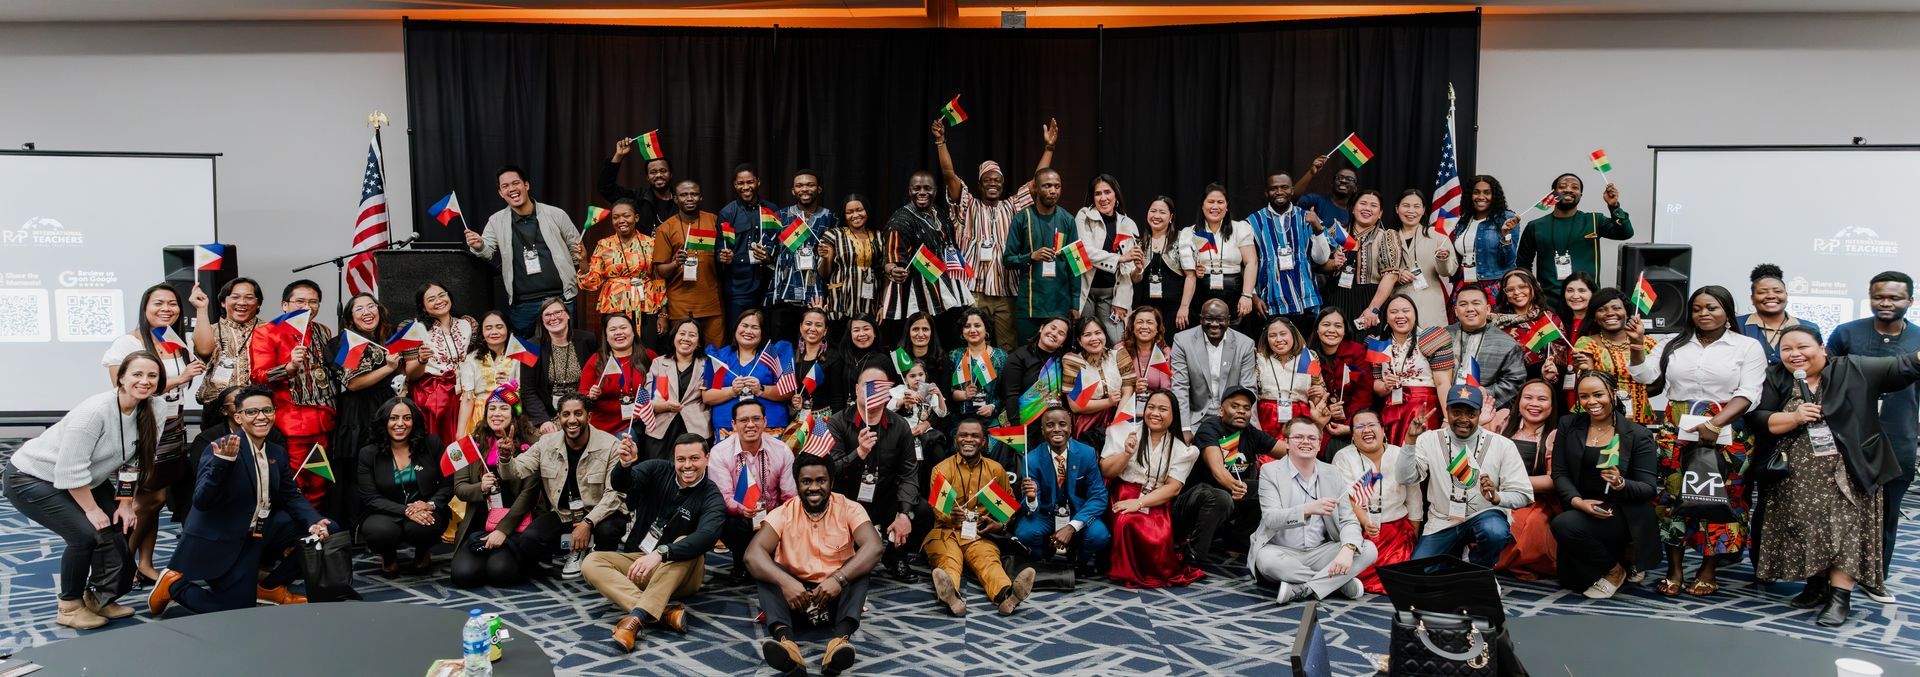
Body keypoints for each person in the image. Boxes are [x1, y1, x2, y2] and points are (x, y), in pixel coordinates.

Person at [1754, 327, 1920, 626]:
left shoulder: (1854, 368)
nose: (1795, 354)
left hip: (1849, 469)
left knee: (1844, 531)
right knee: (1808, 527)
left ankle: (1839, 597)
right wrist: (1794, 417)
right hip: (1798, 474)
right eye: (1787, 349)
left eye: (1803, 346)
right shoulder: (1776, 376)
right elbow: (1759, 418)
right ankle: (1816, 585)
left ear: (1823, 348)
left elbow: (1903, 366)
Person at [1628, 285, 1765, 597]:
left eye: (1712, 308)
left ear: (1728, 312)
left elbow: (1749, 393)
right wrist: (1637, 345)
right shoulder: (1673, 344)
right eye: (1698, 308)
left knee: (1719, 499)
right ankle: (1674, 568)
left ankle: (1708, 568)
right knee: (1674, 498)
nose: (1704, 313)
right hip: (1677, 429)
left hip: (1728, 429)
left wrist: (1715, 424)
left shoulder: (1746, 347)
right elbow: (1644, 375)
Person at [150, 386, 336, 615]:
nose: (261, 417)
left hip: (258, 531)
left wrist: (313, 521)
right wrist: (222, 465)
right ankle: (173, 586)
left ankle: (270, 587)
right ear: (238, 417)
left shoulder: (276, 451)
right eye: (252, 412)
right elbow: (201, 501)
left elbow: (290, 495)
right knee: (238, 610)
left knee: (327, 529)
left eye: (267, 410)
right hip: (223, 539)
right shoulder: (220, 447)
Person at [4, 352, 157, 628]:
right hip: (33, 477)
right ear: (120, 378)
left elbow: (134, 461)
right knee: (86, 535)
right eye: (137, 374)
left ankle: (98, 598)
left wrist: (125, 503)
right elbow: (68, 471)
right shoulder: (93, 413)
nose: (145, 381)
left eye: (152, 376)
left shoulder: (152, 408)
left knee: (123, 524)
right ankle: (70, 607)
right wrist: (92, 510)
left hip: (88, 478)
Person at [1826, 271, 1919, 604]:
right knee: (1838, 509)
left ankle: (1876, 578)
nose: (1886, 303)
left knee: (1888, 512)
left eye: (1895, 297)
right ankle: (1829, 578)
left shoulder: (1919, 340)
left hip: (1899, 440)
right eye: (1879, 296)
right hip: (1846, 439)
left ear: (1910, 300)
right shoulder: (1846, 334)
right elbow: (1825, 380)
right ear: (1870, 296)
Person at [747, 453, 882, 676]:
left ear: (831, 482)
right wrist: (786, 583)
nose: (814, 488)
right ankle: (788, 647)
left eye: (821, 480)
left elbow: (874, 547)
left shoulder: (850, 508)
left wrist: (839, 579)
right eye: (806, 481)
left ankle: (838, 644)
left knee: (858, 565)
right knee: (767, 570)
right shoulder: (783, 512)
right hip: (795, 601)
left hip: (834, 599)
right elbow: (752, 554)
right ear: (797, 484)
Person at [101, 284, 201, 583]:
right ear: (145, 307)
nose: (166, 309)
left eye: (173, 304)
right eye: (158, 303)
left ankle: (144, 563)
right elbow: (122, 389)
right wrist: (179, 378)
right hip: (143, 427)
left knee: (155, 499)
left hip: (172, 427)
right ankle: (121, 566)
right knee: (140, 500)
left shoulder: (174, 341)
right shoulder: (127, 343)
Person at [591, 433, 726, 651]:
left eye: (694, 458)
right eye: (681, 459)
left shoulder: (712, 496)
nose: (687, 465)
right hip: (640, 562)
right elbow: (622, 483)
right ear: (674, 459)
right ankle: (663, 613)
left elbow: (707, 536)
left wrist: (662, 553)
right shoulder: (657, 469)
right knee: (592, 561)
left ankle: (635, 618)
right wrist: (625, 464)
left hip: (681, 573)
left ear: (707, 459)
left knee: (686, 541)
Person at [934, 116, 1054, 351]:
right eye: (987, 180)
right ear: (979, 185)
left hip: (1006, 291)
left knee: (1007, 346)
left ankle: (1001, 388)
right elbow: (949, 174)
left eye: (997, 181)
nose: (992, 184)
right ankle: (975, 388)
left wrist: (1049, 147)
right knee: (975, 345)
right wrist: (941, 141)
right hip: (973, 290)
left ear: (1002, 184)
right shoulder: (967, 206)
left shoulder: (1012, 206)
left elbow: (1037, 182)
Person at [1548, 370, 1663, 603]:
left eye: (1598, 394)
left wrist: (1621, 483)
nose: (1591, 402)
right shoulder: (1569, 424)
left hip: (1623, 512)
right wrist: (1578, 502)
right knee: (1571, 580)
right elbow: (1560, 472)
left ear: (1612, 393)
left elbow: (1648, 488)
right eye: (1584, 396)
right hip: (1583, 506)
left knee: (1563, 524)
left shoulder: (1637, 434)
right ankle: (1619, 562)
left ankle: (1615, 570)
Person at [1398, 384, 1532, 568]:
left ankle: (1479, 569)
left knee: (1494, 532)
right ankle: (1455, 556)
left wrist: (1498, 497)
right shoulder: (1428, 439)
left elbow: (1524, 494)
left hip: (1484, 515)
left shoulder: (1503, 445)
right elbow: (1405, 478)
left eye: (1470, 414)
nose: (1463, 419)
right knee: (1420, 571)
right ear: (1447, 411)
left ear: (1479, 414)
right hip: (1442, 520)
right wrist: (1410, 441)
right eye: (1457, 412)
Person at [500, 393, 629, 578]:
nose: (572, 420)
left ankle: (597, 557)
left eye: (578, 413)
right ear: (559, 418)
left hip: (600, 514)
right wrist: (505, 457)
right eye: (566, 414)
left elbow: (614, 494)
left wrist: (587, 523)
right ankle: (575, 549)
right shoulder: (546, 443)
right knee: (530, 540)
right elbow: (515, 471)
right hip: (564, 514)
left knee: (609, 531)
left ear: (589, 417)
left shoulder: (611, 446)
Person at [1252, 418, 1377, 605]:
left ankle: (1305, 588)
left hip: (1320, 551)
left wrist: (1347, 548)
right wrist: (1307, 510)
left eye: (1312, 438)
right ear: (1287, 442)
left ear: (1319, 444)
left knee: (1368, 549)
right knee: (1266, 560)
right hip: (1281, 552)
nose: (1305, 442)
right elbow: (1271, 519)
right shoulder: (1271, 471)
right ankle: (1336, 582)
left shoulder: (1332, 473)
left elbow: (1348, 520)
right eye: (1298, 437)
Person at [922, 415, 1037, 617]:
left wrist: (999, 525)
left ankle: (1008, 595)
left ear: (984, 441)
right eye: (963, 435)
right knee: (948, 561)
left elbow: (1008, 509)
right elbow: (938, 510)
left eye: (975, 436)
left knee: (989, 562)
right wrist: (951, 516)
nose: (968, 439)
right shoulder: (941, 470)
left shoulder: (996, 470)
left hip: (979, 535)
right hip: (946, 533)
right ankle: (952, 597)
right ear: (956, 439)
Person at [1101, 389, 1205, 588]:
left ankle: (1153, 571)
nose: (1155, 413)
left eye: (1163, 409)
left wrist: (1139, 503)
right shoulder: (1124, 432)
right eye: (1151, 407)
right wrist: (1126, 453)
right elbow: (1106, 471)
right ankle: (1125, 572)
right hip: (1124, 491)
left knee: (1158, 536)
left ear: (1173, 414)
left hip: (1156, 497)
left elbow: (1173, 488)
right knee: (1126, 520)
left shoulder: (1182, 449)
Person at [828, 366, 924, 582]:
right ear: (856, 389)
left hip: (883, 495)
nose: (873, 393)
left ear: (888, 393)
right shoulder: (838, 422)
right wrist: (858, 453)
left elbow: (909, 474)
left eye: (879, 387)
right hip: (848, 498)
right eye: (867, 387)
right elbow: (829, 471)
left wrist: (904, 513)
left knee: (921, 510)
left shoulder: (899, 426)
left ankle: (895, 555)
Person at [448, 383, 549, 588]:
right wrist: (480, 488)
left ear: (515, 413)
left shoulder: (534, 443)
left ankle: (514, 557)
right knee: (463, 576)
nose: (496, 413)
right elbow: (459, 488)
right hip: (480, 522)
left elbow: (529, 494)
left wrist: (502, 530)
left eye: (504, 408)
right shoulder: (470, 444)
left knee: (499, 573)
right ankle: (488, 553)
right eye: (492, 408)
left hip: (517, 524)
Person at [248, 280, 337, 511]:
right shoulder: (267, 333)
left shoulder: (323, 331)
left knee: (320, 477)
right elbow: (258, 376)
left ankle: (315, 529)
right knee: (294, 480)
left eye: (313, 301)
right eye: (300, 301)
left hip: (325, 419)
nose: (307, 306)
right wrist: (288, 368)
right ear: (284, 305)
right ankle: (292, 533)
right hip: (292, 421)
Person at [464, 166, 583, 336]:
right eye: (505, 186)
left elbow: (576, 248)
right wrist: (478, 245)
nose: (511, 189)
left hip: (561, 298)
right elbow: (487, 252)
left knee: (564, 348)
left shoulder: (556, 214)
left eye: (515, 183)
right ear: (500, 193)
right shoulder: (496, 220)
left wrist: (572, 277)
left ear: (526, 185)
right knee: (525, 355)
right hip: (523, 304)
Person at [1183, 386, 1280, 562]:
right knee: (1220, 497)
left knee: (1268, 487)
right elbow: (1217, 468)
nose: (1241, 411)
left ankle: (1237, 541)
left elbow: (1285, 451)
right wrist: (1234, 486)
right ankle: (1194, 554)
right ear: (1221, 411)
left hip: (1231, 494)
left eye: (1246, 408)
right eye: (1235, 406)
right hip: (1198, 497)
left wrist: (1312, 434)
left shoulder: (1250, 432)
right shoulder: (1210, 427)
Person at [356, 397, 450, 577]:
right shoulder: (368, 453)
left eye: (407, 418)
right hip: (384, 512)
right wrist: (407, 510)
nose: (400, 423)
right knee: (380, 532)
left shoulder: (432, 444)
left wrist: (430, 505)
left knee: (424, 527)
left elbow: (448, 484)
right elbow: (370, 497)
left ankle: (422, 552)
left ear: (414, 421)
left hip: (426, 509)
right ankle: (388, 557)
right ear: (384, 421)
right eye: (393, 418)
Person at [331, 293, 404, 525]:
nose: (367, 312)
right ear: (350, 318)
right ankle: (359, 526)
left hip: (389, 406)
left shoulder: (390, 336)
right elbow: (352, 383)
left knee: (391, 467)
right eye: (359, 309)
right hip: (360, 413)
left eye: (370, 306)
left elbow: (402, 373)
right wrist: (388, 368)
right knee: (361, 471)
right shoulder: (347, 341)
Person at [708, 399, 799, 581]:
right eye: (744, 420)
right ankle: (742, 561)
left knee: (794, 513)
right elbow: (724, 496)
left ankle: (770, 558)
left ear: (765, 422)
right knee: (721, 517)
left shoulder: (781, 450)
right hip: (738, 516)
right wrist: (742, 508)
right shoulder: (720, 453)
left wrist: (778, 518)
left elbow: (790, 497)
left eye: (756, 419)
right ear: (734, 424)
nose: (750, 425)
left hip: (773, 517)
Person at [1514, 174, 1633, 313]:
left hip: (1588, 300)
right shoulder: (1535, 226)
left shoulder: (1594, 220)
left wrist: (1614, 206)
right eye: (1563, 186)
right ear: (1553, 193)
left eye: (1575, 187)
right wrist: (1533, 291)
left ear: (1580, 194)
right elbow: (1523, 264)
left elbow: (1625, 233)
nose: (1569, 190)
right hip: (1548, 302)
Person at [1015, 407, 1111, 577]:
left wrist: (1071, 527)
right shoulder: (1031, 459)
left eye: (1062, 424)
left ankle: (1077, 563)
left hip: (1076, 513)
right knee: (1025, 532)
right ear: (1043, 431)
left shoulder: (1086, 453)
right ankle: (1043, 559)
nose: (1057, 429)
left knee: (1099, 534)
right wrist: (1031, 499)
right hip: (1046, 514)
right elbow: (1030, 509)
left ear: (1071, 429)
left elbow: (1099, 496)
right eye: (1050, 425)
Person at [1331, 410, 1417, 594]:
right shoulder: (1343, 457)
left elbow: (1414, 498)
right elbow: (1346, 498)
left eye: (1372, 425)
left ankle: (1345, 582)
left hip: (1395, 532)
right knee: (1348, 563)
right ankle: (1346, 581)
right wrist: (1365, 522)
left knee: (1396, 577)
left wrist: (1414, 535)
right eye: (1360, 427)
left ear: (1383, 429)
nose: (1366, 430)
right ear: (1352, 434)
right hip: (1359, 530)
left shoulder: (1400, 454)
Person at [1492, 380, 1563, 581]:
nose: (1534, 404)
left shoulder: (1555, 436)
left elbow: (1553, 481)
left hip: (1535, 499)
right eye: (1528, 398)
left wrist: (1515, 483)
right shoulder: (1502, 422)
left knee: (1532, 524)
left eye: (1542, 399)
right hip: (1498, 495)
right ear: (1519, 401)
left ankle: (1506, 562)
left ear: (1552, 405)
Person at [1247, 172, 1332, 333]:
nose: (1279, 192)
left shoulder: (1307, 217)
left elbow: (1321, 259)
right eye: (1274, 188)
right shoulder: (1253, 222)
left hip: (1306, 301)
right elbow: (1247, 263)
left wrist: (1318, 228)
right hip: (1270, 302)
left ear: (1292, 191)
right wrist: (1253, 296)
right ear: (1266, 192)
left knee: (1305, 354)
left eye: (1284, 187)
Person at [1003, 168, 1082, 338]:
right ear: (1036, 189)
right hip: (1030, 305)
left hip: (1060, 305)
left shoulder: (1068, 220)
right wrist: (1031, 256)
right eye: (1047, 186)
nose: (1053, 191)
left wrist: (1075, 303)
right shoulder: (1021, 218)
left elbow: (1077, 265)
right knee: (1028, 356)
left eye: (1057, 186)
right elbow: (1007, 260)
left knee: (1056, 358)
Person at [651, 179, 730, 345]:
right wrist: (675, 263)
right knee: (684, 353)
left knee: (714, 355)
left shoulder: (715, 221)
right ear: (675, 199)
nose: (689, 198)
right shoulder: (665, 228)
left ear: (700, 197)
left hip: (711, 304)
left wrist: (726, 258)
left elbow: (723, 255)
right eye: (684, 195)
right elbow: (660, 272)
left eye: (693, 194)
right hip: (679, 306)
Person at [578, 199, 666, 342]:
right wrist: (582, 261)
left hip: (646, 305)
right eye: (616, 217)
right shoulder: (604, 244)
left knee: (647, 350)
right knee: (617, 351)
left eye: (626, 215)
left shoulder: (650, 243)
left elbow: (658, 280)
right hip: (614, 305)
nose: (621, 220)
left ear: (636, 218)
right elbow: (592, 283)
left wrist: (663, 316)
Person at [763, 170, 837, 340]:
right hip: (784, 295)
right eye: (800, 185)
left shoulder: (830, 218)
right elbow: (770, 255)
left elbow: (834, 261)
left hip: (816, 296)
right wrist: (764, 255)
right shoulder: (780, 216)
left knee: (813, 347)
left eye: (810, 185)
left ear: (819, 189)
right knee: (783, 348)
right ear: (793, 191)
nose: (805, 189)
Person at [1170, 299, 1258, 439]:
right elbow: (1180, 387)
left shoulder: (1245, 344)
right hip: (1195, 418)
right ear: (1201, 319)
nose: (1215, 324)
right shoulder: (1182, 341)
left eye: (1220, 319)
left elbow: (1248, 389)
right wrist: (1184, 427)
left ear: (1229, 320)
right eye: (1209, 319)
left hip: (1231, 417)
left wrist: (1251, 428)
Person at [1374, 294, 1455, 445]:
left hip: (1424, 407)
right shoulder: (1378, 344)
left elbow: (1443, 383)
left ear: (1415, 314)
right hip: (1393, 409)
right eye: (1393, 312)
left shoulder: (1430, 338)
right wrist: (1386, 386)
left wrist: (1447, 419)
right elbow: (1377, 386)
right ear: (1386, 316)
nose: (1400, 315)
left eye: (1406, 310)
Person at [1174, 184, 1257, 330]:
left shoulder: (1240, 228)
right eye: (1210, 202)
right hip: (1202, 294)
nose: (1215, 206)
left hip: (1234, 296)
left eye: (1220, 202)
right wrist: (1184, 306)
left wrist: (1247, 295)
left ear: (1227, 206)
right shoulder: (1189, 233)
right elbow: (1190, 276)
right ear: (1202, 205)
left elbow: (1251, 262)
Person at [1570, 288, 1658, 425]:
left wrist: (1635, 393)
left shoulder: (1649, 344)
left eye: (1616, 308)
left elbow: (1658, 384)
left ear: (1627, 313)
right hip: (1598, 415)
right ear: (1594, 316)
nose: (1610, 313)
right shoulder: (1586, 343)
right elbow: (1589, 384)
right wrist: (1584, 370)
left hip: (1639, 416)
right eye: (1602, 310)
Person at [704, 309, 796, 435]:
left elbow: (787, 392)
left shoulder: (772, 355)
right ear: (736, 328)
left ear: (762, 332)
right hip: (728, 428)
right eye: (744, 326)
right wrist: (731, 391)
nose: (748, 331)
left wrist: (761, 390)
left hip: (769, 426)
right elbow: (708, 396)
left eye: (754, 327)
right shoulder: (722, 359)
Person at [1323, 190, 1403, 334]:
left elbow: (1391, 276)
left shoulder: (1386, 236)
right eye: (1363, 203)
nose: (1367, 208)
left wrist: (1373, 309)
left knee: (1366, 347)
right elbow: (1319, 266)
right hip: (1335, 299)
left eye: (1373, 205)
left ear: (1380, 214)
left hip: (1369, 299)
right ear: (1353, 208)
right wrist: (1333, 263)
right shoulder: (1335, 233)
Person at [403, 282, 474, 445]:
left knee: (460, 444)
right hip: (431, 394)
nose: (439, 301)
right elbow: (411, 374)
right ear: (423, 307)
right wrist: (421, 360)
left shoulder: (466, 325)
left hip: (462, 394)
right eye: (431, 299)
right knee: (434, 445)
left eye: (442, 295)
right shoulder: (416, 330)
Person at [1074, 174, 1141, 339]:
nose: (1103, 198)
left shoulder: (1128, 223)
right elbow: (1085, 252)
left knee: (1117, 342)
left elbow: (1131, 275)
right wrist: (1120, 258)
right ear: (1092, 197)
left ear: (1115, 194)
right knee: (1086, 340)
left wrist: (1138, 270)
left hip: (1112, 294)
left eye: (1107, 192)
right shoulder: (1084, 216)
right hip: (1085, 291)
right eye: (1098, 193)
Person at [716, 164, 782, 331]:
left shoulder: (771, 209)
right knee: (739, 333)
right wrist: (724, 257)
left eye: (750, 182)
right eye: (740, 183)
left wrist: (769, 257)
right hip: (739, 287)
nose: (746, 187)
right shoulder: (727, 213)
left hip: (768, 286)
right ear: (734, 185)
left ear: (758, 182)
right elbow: (719, 251)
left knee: (766, 334)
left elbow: (779, 246)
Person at [639, 318, 712, 461]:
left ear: (698, 342)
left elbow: (710, 396)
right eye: (682, 333)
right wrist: (666, 406)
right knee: (659, 473)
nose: (686, 338)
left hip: (695, 427)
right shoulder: (659, 363)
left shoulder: (707, 365)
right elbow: (647, 400)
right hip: (661, 428)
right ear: (674, 337)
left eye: (692, 335)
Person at [526, 297, 598, 434]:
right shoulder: (531, 346)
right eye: (547, 315)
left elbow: (596, 377)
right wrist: (543, 421)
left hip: (583, 411)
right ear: (542, 320)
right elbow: (528, 390)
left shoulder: (588, 340)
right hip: (548, 415)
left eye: (558, 312)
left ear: (568, 315)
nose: (553, 318)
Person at [189, 277, 263, 409]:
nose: (242, 302)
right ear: (223, 302)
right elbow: (204, 351)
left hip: (259, 406)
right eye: (235, 297)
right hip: (217, 406)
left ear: (258, 303)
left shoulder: (269, 330)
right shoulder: (211, 329)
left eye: (249, 297)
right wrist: (201, 308)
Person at [1448, 286, 1527, 409]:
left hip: (1485, 409)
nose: (1470, 309)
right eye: (1463, 304)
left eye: (1476, 303)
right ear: (1456, 311)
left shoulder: (1507, 343)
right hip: (1443, 404)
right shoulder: (1443, 336)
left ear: (1488, 309)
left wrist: (1485, 393)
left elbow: (1515, 382)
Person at [1388, 190, 1458, 326]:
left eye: (1416, 206)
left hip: (1429, 303)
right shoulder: (1388, 237)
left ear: (1424, 209)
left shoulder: (1437, 236)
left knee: (1431, 344)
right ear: (1397, 208)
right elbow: (1379, 271)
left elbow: (1449, 271)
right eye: (1406, 206)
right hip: (1398, 303)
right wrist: (1397, 274)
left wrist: (1443, 259)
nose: (1411, 210)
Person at [1310, 307, 1375, 451]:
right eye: (1326, 325)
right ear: (1317, 329)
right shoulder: (1308, 355)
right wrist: (1325, 410)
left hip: (1352, 421)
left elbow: (1363, 394)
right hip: (1319, 422)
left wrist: (1350, 425)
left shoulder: (1357, 352)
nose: (1332, 330)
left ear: (1345, 331)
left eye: (1338, 326)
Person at [1062, 316, 1134, 444]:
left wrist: (1117, 422)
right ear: (1079, 341)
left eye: (1098, 333)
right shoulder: (1073, 361)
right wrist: (1109, 402)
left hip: (1120, 414)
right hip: (1088, 423)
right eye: (1087, 335)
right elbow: (1075, 406)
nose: (1094, 338)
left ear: (1105, 335)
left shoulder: (1118, 355)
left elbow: (1128, 390)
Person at [1253, 316, 1326, 440]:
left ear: (1293, 334)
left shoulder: (1307, 356)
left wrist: (1319, 392)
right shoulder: (1259, 359)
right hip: (1267, 417)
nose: (1278, 339)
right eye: (1272, 335)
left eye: (1283, 334)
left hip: (1300, 418)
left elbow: (1317, 394)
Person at [817, 194, 884, 324]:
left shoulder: (879, 236)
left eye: (859, 210)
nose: (855, 215)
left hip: (870, 306)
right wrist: (825, 258)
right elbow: (824, 273)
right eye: (850, 212)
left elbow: (883, 273)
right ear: (844, 215)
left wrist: (882, 304)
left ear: (867, 211)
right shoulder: (834, 234)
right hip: (840, 305)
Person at [457, 311, 528, 434]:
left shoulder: (520, 356)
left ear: (508, 329)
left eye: (499, 327)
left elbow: (527, 392)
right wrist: (460, 433)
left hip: (510, 414)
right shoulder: (471, 359)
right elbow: (467, 399)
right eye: (488, 328)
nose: (494, 332)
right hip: (480, 415)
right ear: (482, 333)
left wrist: (512, 387)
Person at [1451, 175, 1520, 300]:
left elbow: (1509, 260)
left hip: (1494, 287)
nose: (1481, 197)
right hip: (1464, 284)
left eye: (1487, 193)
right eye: (1476, 192)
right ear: (1469, 196)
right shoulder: (1464, 221)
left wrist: (1505, 235)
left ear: (1494, 196)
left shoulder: (1506, 218)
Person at [1494, 270, 1569, 385]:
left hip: (1549, 387)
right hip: (1510, 388)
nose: (1517, 292)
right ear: (1505, 294)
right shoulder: (1497, 325)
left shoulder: (1550, 319)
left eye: (1523, 287)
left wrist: (1548, 371)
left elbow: (1562, 359)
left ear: (1533, 288)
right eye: (1510, 289)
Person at [1000, 316, 1072, 431]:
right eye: (1052, 328)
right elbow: (1010, 395)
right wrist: (1016, 428)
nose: (1054, 334)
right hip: (1022, 423)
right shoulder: (1019, 357)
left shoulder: (1063, 362)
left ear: (1063, 342)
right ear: (1041, 328)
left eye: (1061, 333)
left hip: (1053, 427)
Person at [1737, 263, 1818, 365]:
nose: (1771, 296)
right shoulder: (1736, 325)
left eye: (1777, 291)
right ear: (1752, 298)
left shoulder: (1808, 327)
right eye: (1762, 292)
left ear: (1786, 295)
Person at [579, 312, 646, 434]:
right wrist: (590, 395)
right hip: (599, 428)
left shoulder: (647, 357)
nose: (619, 332)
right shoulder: (596, 360)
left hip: (633, 425)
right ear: (606, 335)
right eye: (613, 329)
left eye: (623, 328)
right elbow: (581, 395)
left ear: (633, 331)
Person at [1130, 197, 1188, 328]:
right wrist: (1138, 270)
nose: (1156, 216)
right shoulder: (1140, 242)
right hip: (1147, 313)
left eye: (1162, 212)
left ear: (1171, 217)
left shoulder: (1182, 239)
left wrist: (1184, 307)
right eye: (1153, 211)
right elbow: (1135, 280)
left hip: (1175, 311)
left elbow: (1191, 276)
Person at [599, 135, 676, 232]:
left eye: (663, 171)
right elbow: (606, 188)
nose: (658, 175)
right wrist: (619, 156)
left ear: (671, 175)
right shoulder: (638, 197)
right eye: (653, 172)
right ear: (647, 177)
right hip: (645, 246)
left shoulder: (682, 199)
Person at [947, 308, 1009, 422]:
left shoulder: (1000, 357)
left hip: (992, 421)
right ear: (962, 331)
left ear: (986, 329)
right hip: (961, 421)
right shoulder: (954, 355)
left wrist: (993, 407)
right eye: (967, 326)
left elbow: (1008, 393)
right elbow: (946, 391)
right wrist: (964, 395)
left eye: (977, 325)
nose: (972, 330)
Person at [1292, 155, 1359, 233]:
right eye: (1339, 177)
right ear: (1332, 183)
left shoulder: (1354, 213)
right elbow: (1291, 198)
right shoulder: (1315, 201)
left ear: (1355, 188)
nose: (1343, 181)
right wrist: (1311, 173)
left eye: (1350, 179)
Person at [1121, 306, 1173, 396]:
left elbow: (1166, 389)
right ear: (1132, 327)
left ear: (1157, 328)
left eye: (1149, 322)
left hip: (1155, 405)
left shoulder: (1165, 352)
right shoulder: (1120, 350)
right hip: (1125, 405)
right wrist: (1132, 390)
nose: (1144, 326)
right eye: (1139, 322)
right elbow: (1113, 387)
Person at [1559, 272, 1597, 340]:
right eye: (1570, 291)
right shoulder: (1557, 321)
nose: (1575, 296)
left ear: (1592, 293)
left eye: (1582, 291)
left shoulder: (1599, 323)